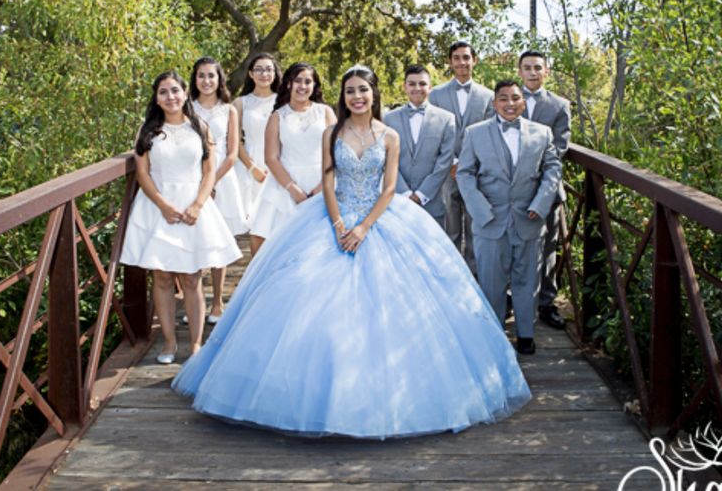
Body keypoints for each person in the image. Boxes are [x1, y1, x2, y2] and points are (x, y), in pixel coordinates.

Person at [172, 65, 530, 439]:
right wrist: (340, 223)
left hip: (379, 219)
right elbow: (328, 178)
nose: (356, 97)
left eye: (362, 90)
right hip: (332, 216)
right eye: (349, 92)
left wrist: (363, 227)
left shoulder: (389, 135)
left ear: (373, 94)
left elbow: (389, 188)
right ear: (343, 98)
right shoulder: (332, 132)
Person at [120, 70, 242, 364]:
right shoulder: (147, 131)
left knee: (191, 277)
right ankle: (170, 343)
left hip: (193, 206)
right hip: (157, 207)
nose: (170, 96)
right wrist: (162, 204)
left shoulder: (200, 127)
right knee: (161, 276)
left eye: (175, 90)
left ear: (185, 93)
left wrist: (198, 204)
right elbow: (143, 173)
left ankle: (197, 344)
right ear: (157, 98)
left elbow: (209, 170)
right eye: (163, 92)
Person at [456, 80, 562, 355]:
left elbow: (552, 170)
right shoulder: (475, 133)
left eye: (515, 98)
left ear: (523, 102)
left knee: (527, 279)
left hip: (528, 217)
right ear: (495, 104)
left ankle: (526, 334)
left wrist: (540, 205)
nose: (510, 103)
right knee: (491, 280)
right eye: (503, 98)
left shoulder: (542, 133)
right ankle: (494, 333)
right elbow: (465, 173)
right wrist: (480, 210)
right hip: (489, 219)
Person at [247, 62, 336, 249]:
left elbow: (337, 152)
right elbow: (271, 158)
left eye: (308, 82)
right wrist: (292, 189)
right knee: (265, 239)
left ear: (314, 86)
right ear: (289, 84)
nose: (302, 86)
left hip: (322, 181)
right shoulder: (277, 116)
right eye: (297, 81)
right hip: (285, 183)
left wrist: (323, 185)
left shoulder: (325, 112)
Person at [190, 56, 246, 324]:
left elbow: (233, 153)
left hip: (223, 178)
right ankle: (195, 301)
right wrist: (200, 185)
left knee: (219, 240)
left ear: (219, 78)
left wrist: (211, 183)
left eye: (211, 75)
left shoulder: (229, 110)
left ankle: (217, 302)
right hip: (192, 179)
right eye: (201, 75)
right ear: (195, 79)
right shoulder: (186, 108)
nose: (206, 81)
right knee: (196, 238)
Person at [518, 50, 571, 330]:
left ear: (546, 71)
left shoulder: (559, 105)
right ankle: (512, 300)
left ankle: (546, 303)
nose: (533, 72)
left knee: (548, 247)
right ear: (520, 71)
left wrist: (536, 179)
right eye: (527, 67)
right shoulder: (507, 100)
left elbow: (560, 149)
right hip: (513, 190)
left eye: (538, 67)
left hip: (547, 188)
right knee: (515, 245)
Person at [429, 41, 493, 276]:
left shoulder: (488, 96)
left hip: (477, 172)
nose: (462, 62)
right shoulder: (435, 95)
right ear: (450, 62)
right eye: (456, 57)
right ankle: (451, 276)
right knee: (450, 226)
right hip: (447, 171)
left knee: (476, 227)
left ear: (474, 60)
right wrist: (452, 162)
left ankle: (475, 279)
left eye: (466, 57)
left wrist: (468, 164)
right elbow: (433, 133)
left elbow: (489, 134)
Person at [384, 64, 456, 227]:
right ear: (404, 87)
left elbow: (444, 161)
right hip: (397, 201)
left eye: (422, 84)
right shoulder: (389, 119)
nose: (417, 88)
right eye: (412, 83)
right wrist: (405, 193)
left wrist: (422, 194)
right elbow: (387, 160)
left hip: (432, 202)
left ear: (430, 87)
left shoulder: (446, 119)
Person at [231, 53, 282, 256]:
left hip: (278, 163)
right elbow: (235, 141)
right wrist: (252, 168)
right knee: (254, 226)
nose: (264, 74)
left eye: (268, 69)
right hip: (248, 165)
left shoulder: (284, 101)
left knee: (276, 222)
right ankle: (255, 275)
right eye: (259, 69)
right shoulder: (240, 103)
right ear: (251, 74)